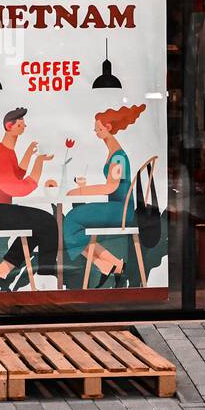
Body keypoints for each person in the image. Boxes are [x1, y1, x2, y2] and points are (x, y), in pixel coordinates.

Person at [61, 104, 146, 288]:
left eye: (98, 128)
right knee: (72, 220)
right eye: (95, 129)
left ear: (108, 128)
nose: (96, 132)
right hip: (117, 207)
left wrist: (81, 191)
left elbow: (110, 187)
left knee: (71, 219)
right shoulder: (114, 154)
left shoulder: (118, 158)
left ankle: (113, 264)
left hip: (121, 211)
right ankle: (112, 265)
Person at [0, 107, 56, 290]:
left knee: (39, 226)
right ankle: (46, 276)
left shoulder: (6, 151)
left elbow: (16, 174)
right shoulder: (0, 154)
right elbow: (15, 187)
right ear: (10, 126)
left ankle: (3, 270)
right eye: (20, 123)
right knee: (48, 221)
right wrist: (38, 166)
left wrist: (32, 156)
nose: (24, 125)